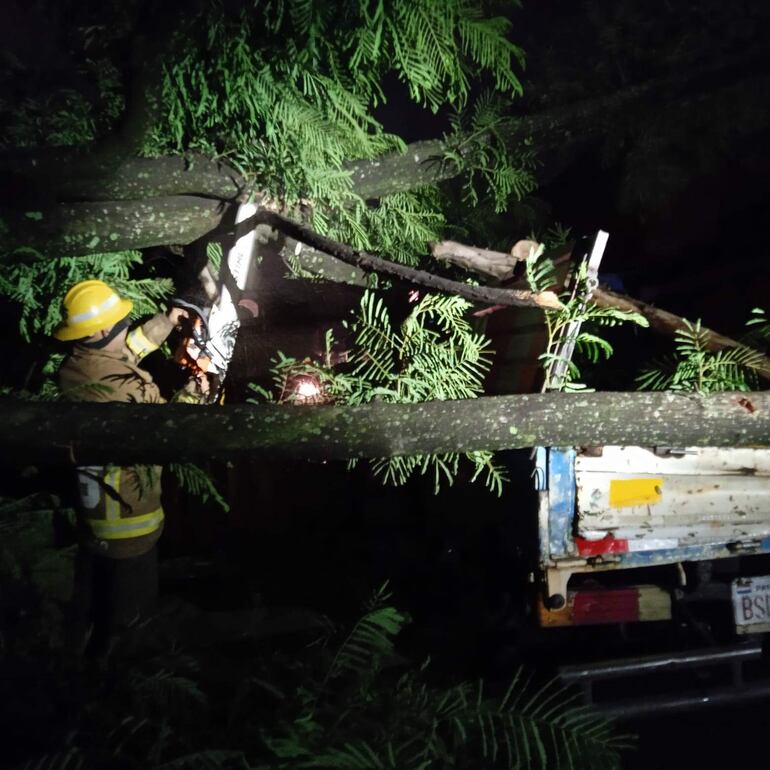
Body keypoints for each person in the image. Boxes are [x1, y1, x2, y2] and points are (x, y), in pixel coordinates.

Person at [53, 279, 208, 658]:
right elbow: (165, 433)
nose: (126, 325)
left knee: (92, 606)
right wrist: (193, 396)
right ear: (103, 329)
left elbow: (124, 356)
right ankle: (121, 692)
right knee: (131, 623)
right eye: (120, 321)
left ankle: (80, 664)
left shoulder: (81, 366)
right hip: (128, 525)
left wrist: (166, 322)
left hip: (96, 523)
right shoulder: (120, 393)